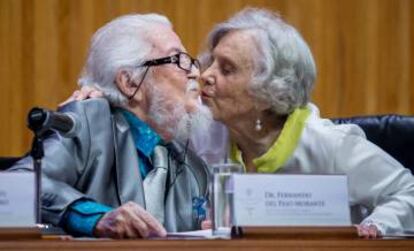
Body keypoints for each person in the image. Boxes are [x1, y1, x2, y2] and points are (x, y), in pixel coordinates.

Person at [194, 8, 414, 238]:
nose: (205, 74)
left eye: (227, 69)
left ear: (267, 91)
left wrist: (375, 227)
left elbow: (408, 192)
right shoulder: (207, 132)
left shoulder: (330, 145)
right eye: (211, 61)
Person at [10, 13, 213, 238]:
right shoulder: (88, 125)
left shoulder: (195, 169)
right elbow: (17, 186)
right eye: (178, 60)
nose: (195, 72)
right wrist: (95, 218)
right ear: (130, 82)